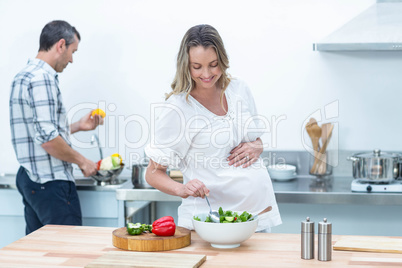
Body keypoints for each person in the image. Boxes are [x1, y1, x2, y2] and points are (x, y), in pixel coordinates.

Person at [145, 24, 282, 231]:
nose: (207, 73)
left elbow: (252, 139)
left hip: (257, 217)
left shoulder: (239, 89)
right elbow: (153, 173)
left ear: (223, 60)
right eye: (197, 66)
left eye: (213, 64)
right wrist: (182, 188)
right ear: (185, 65)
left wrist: (258, 146)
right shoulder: (178, 108)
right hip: (209, 223)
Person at [9, 20, 103, 235]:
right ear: (61, 45)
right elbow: (48, 140)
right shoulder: (43, 79)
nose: (71, 59)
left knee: (40, 254)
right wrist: (83, 161)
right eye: (72, 51)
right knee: (68, 251)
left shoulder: (23, 76)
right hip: (51, 182)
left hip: (31, 178)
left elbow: (39, 132)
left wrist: (79, 126)